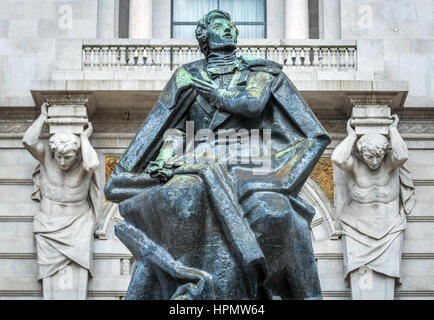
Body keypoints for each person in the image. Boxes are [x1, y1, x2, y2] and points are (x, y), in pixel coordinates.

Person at [105, 10, 330, 300]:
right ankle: (185, 281)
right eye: (219, 26)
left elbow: (297, 127)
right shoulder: (186, 77)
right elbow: (165, 128)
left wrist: (279, 175)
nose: (229, 30)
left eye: (231, 26)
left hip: (252, 167)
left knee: (276, 212)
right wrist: (159, 162)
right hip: (197, 161)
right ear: (204, 37)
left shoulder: (262, 72)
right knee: (181, 195)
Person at [22, 102, 102, 299]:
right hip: (47, 225)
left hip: (78, 225)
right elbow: (28, 141)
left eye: (68, 157)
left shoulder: (84, 163)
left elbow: (93, 163)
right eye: (60, 156)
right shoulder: (47, 157)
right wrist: (42, 118)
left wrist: (83, 138)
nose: (62, 161)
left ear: (77, 154)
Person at [331, 115, 415, 299]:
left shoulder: (389, 164)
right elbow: (337, 158)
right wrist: (352, 136)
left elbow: (402, 155)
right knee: (362, 282)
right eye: (370, 156)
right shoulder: (354, 166)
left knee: (384, 284)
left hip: (389, 230)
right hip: (357, 231)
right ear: (361, 152)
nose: (375, 162)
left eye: (379, 156)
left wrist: (393, 130)